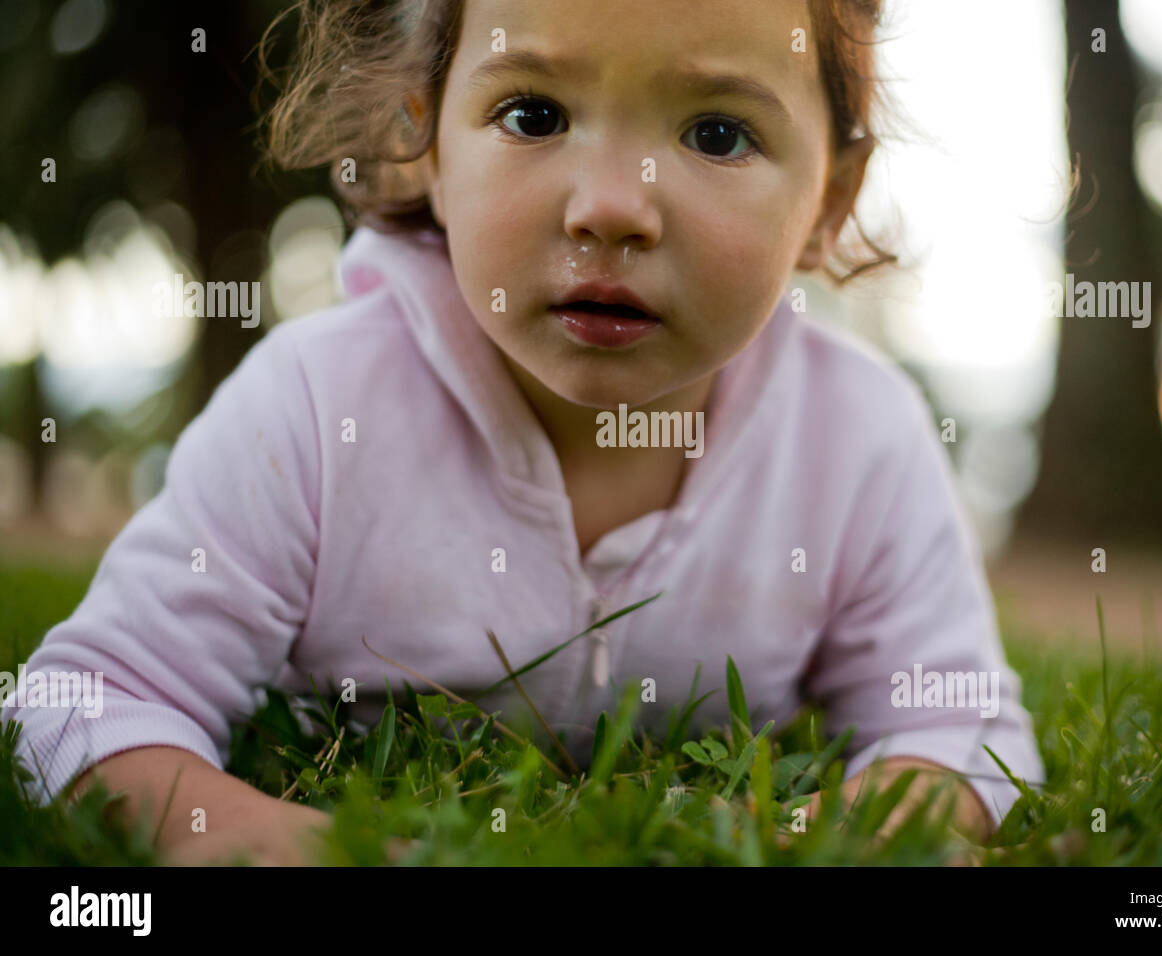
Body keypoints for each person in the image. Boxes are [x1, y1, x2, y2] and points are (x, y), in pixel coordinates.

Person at [3, 0, 1045, 865]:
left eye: (716, 132)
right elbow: (86, 698)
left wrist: (822, 837)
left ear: (831, 194)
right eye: (534, 113)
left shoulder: (855, 435)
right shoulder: (318, 408)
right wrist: (259, 837)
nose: (609, 210)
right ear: (426, 143)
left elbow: (957, 722)